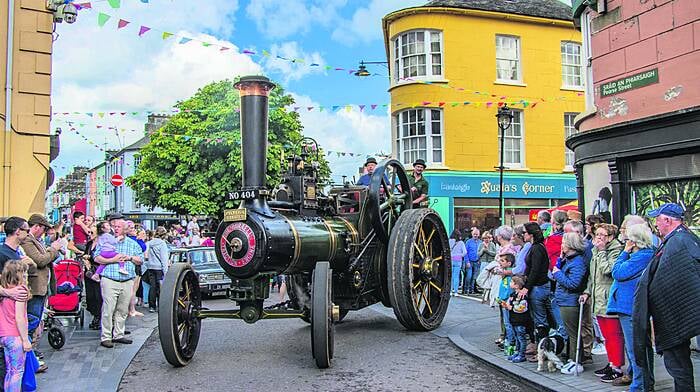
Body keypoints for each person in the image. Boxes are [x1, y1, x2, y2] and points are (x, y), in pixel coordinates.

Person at [634, 203, 700, 392]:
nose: (656, 224)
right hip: (677, 317)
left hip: (675, 319)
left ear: (668, 220)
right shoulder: (682, 239)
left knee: (679, 367)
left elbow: (676, 281)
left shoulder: (678, 242)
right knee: (679, 366)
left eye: (658, 219)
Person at [607, 223, 655, 391]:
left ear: (633, 241)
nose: (624, 241)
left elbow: (618, 272)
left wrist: (624, 252)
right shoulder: (644, 255)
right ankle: (643, 382)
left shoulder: (641, 256)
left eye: (626, 239)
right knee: (639, 346)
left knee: (636, 348)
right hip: (629, 306)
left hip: (630, 307)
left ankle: (640, 385)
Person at [581, 223, 625, 383]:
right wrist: (587, 291)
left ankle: (617, 367)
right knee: (606, 335)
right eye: (597, 234)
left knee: (613, 335)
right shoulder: (596, 251)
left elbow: (608, 271)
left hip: (608, 298)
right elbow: (593, 276)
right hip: (597, 296)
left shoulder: (615, 250)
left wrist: (601, 251)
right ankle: (611, 362)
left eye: (602, 235)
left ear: (610, 237)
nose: (598, 238)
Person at [95, 215, 144, 348]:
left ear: (125, 229)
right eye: (114, 226)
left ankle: (118, 334)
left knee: (122, 309)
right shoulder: (107, 241)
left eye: (119, 227)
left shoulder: (132, 244)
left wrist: (129, 258)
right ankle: (106, 337)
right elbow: (97, 258)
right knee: (108, 309)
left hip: (127, 280)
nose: (116, 229)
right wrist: (112, 260)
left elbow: (140, 260)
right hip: (110, 279)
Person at [20, 214, 61, 369]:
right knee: (31, 322)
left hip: (41, 288)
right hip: (34, 287)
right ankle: (29, 359)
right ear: (37, 226)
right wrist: (54, 249)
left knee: (35, 321)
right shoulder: (28, 241)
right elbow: (41, 260)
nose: (44, 233)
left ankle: (31, 355)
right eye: (44, 229)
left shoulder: (35, 240)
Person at [551, 232, 591, 375]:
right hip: (564, 299)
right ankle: (573, 358)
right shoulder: (568, 260)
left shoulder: (577, 262)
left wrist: (558, 273)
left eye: (564, 243)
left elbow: (573, 283)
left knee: (573, 333)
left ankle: (576, 360)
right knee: (570, 332)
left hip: (570, 301)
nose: (561, 245)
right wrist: (559, 263)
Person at [519, 222, 560, 343]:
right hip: (539, 286)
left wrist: (526, 287)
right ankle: (541, 346)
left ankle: (542, 348)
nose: (523, 235)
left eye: (524, 233)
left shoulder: (537, 248)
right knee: (542, 317)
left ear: (531, 234)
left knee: (540, 320)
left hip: (538, 286)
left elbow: (535, 270)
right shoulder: (537, 247)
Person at [0, 260, 32, 392]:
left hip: (4, 335)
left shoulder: (4, 290)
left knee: (9, 371)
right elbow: (20, 317)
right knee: (17, 372)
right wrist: (25, 340)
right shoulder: (21, 291)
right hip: (15, 336)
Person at [503, 275, 531, 363]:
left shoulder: (522, 296)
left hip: (520, 320)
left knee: (521, 338)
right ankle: (517, 352)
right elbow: (509, 303)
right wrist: (506, 305)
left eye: (511, 282)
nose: (510, 283)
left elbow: (522, 308)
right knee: (517, 337)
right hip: (514, 320)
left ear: (517, 285)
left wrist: (511, 308)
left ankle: (521, 354)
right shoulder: (513, 295)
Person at [144, 227, 169, 313]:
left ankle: (152, 306)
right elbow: (164, 259)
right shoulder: (162, 244)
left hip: (150, 267)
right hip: (159, 268)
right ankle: (161, 306)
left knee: (152, 287)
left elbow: (146, 255)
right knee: (160, 287)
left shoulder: (150, 243)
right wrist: (165, 272)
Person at [496, 253, 515, 356]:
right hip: (502, 300)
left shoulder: (509, 277)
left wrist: (504, 299)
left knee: (508, 323)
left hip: (506, 302)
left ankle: (510, 342)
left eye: (502, 261)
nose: (500, 262)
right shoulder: (504, 275)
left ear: (509, 263)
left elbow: (508, 290)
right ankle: (507, 340)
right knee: (505, 321)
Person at [463, 228, 481, 295]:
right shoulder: (468, 242)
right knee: (469, 276)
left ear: (479, 234)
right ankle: (466, 289)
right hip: (469, 261)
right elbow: (465, 252)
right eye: (474, 234)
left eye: (476, 234)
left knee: (474, 277)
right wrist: (467, 261)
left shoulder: (480, 242)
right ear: (472, 234)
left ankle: (471, 290)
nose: (475, 235)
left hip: (477, 262)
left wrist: (479, 260)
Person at [448, 229, 466, 296]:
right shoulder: (461, 243)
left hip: (451, 260)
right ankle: (455, 292)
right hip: (458, 261)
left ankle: (450, 291)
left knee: (450, 276)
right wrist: (459, 255)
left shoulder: (449, 241)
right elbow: (465, 252)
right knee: (456, 276)